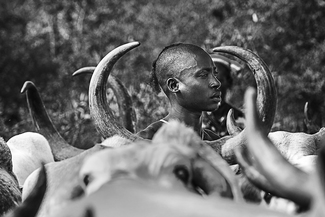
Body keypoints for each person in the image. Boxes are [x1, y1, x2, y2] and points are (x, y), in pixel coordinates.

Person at [137, 43, 222, 140]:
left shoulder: (214, 140)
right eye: (203, 75)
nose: (216, 82)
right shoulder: (145, 141)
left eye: (215, 74)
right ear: (174, 85)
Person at [203, 54, 244, 137]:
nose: (215, 85)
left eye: (220, 80)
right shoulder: (194, 115)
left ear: (229, 82)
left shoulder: (239, 117)